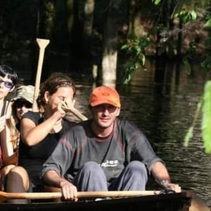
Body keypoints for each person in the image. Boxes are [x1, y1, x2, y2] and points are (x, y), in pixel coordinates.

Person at [42, 86, 181, 201]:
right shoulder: (76, 134)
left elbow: (153, 162)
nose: (105, 113)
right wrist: (64, 183)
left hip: (121, 197)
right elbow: (49, 170)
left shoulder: (128, 131)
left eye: (111, 107)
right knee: (92, 169)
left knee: (138, 167)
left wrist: (166, 184)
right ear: (91, 109)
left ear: (118, 111)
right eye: (100, 107)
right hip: (88, 200)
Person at [5, 73, 77, 200]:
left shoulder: (73, 129)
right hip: (28, 183)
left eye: (68, 99)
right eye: (61, 98)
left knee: (58, 183)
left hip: (56, 184)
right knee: (15, 172)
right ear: (47, 96)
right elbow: (29, 139)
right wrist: (56, 116)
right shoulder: (31, 118)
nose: (65, 103)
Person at [0, 85, 34, 186]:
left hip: (34, 168)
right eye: (19, 104)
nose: (22, 109)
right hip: (15, 168)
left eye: (28, 105)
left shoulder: (41, 126)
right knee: (9, 170)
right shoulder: (8, 125)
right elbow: (7, 161)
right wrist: (19, 152)